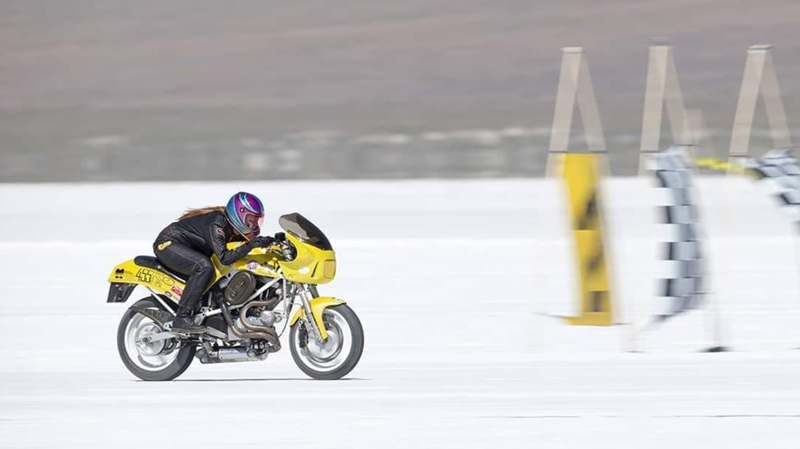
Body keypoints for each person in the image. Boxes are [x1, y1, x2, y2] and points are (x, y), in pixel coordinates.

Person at [153, 192, 273, 333]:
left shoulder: (233, 229)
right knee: (204, 267)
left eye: (256, 221)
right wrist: (251, 245)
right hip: (169, 244)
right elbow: (225, 257)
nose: (253, 225)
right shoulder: (217, 224)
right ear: (239, 215)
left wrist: (272, 242)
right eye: (250, 220)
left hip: (192, 249)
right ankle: (181, 317)